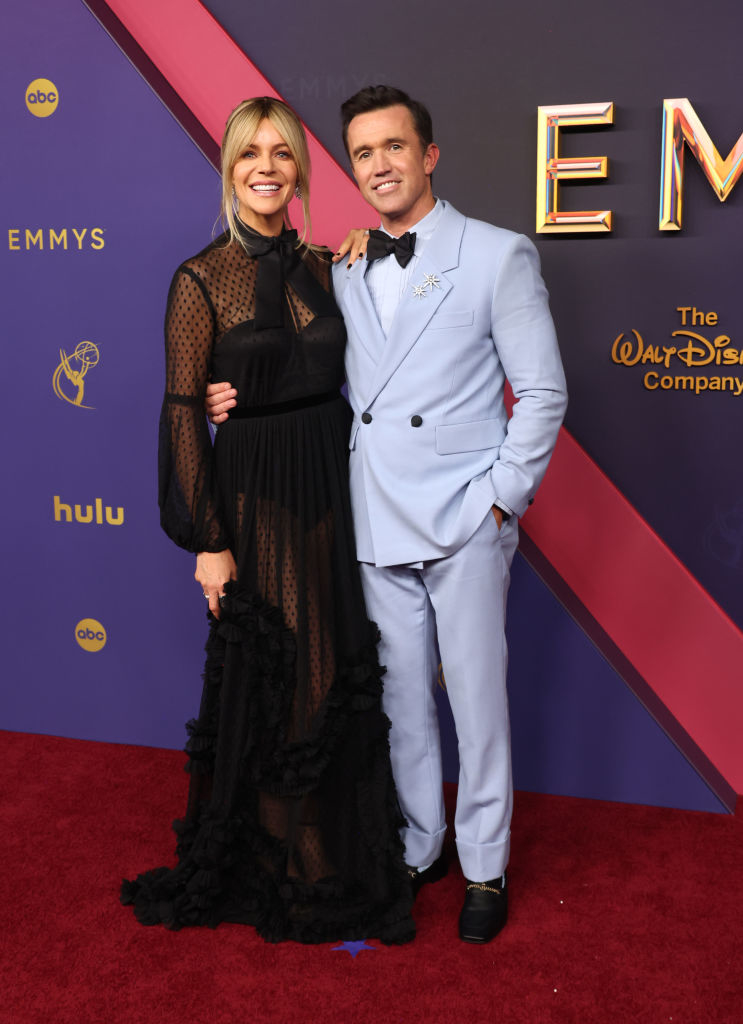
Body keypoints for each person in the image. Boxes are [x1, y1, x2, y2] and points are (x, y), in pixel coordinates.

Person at [206, 85, 568, 944]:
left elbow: (544, 391)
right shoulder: (341, 264)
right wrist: (233, 397)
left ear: (429, 154)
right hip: (370, 516)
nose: (379, 165)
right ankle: (419, 843)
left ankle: (485, 863)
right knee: (400, 698)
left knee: (476, 700)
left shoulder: (495, 254)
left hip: (463, 516)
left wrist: (498, 501)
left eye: (393, 148)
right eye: (362, 153)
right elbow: (295, 359)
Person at [121, 96, 415, 945]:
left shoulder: (331, 264)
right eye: (250, 154)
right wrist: (208, 542)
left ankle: (331, 851)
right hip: (253, 490)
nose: (266, 168)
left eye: (281, 155)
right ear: (229, 167)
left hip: (331, 476)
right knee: (283, 670)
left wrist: (361, 251)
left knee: (333, 667)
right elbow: (182, 412)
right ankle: (284, 861)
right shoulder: (199, 278)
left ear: (298, 170)